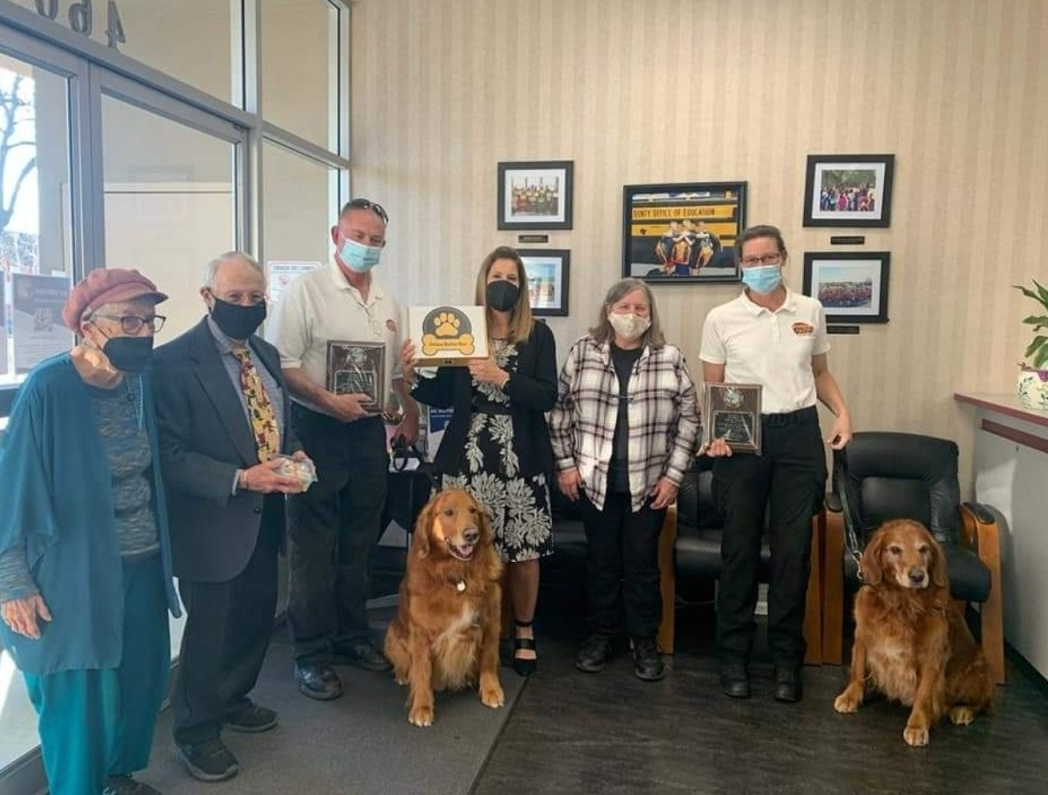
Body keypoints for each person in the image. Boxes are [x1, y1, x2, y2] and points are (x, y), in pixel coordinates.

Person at [0, 269, 180, 795]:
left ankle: (115, 778)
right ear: (87, 326)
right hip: (72, 571)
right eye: (128, 319)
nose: (143, 330)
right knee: (78, 697)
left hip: (141, 562)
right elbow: (11, 491)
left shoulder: (138, 381)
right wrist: (13, 584)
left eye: (149, 320)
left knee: (138, 683)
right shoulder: (50, 387)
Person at [152, 252, 312, 782]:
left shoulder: (263, 353)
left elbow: (278, 427)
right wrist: (240, 479)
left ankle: (232, 697)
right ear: (207, 298)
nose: (247, 306)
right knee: (209, 631)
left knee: (254, 616)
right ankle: (195, 732)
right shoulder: (171, 362)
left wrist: (297, 455)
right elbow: (169, 456)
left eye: (256, 297)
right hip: (212, 521)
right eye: (235, 297)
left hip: (265, 517)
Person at [267, 198, 419, 700]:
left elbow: (395, 376)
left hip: (367, 436)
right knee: (313, 549)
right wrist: (328, 401)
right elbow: (282, 367)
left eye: (376, 240)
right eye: (359, 236)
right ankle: (311, 654)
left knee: (359, 543)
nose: (367, 247)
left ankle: (352, 637)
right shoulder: (305, 293)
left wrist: (404, 405)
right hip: (315, 433)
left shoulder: (389, 301)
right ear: (337, 235)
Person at [699, 223, 852, 704]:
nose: (761, 267)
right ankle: (733, 658)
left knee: (793, 553)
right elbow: (715, 390)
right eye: (752, 260)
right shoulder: (721, 317)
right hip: (744, 439)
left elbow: (820, 373)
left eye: (769, 258)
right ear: (739, 265)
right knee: (739, 549)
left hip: (798, 436)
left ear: (784, 257)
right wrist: (718, 437)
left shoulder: (810, 310)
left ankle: (787, 660)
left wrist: (844, 412)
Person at [400, 246, 557, 676]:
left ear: (521, 287)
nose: (502, 284)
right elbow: (439, 394)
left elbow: (547, 395)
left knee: (524, 553)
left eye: (510, 277)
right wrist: (410, 373)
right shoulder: (463, 331)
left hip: (521, 459)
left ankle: (523, 631)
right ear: (483, 282)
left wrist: (500, 377)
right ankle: (464, 626)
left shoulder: (538, 335)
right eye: (495, 276)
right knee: (463, 550)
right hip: (466, 460)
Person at [549, 278, 699, 682]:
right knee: (600, 563)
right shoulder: (583, 353)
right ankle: (600, 636)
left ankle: (644, 641)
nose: (632, 315)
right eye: (625, 306)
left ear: (650, 316)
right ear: (608, 309)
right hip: (594, 483)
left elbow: (690, 420)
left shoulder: (668, 358)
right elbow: (560, 413)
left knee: (641, 566)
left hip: (648, 486)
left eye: (641, 309)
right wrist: (565, 466)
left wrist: (672, 478)